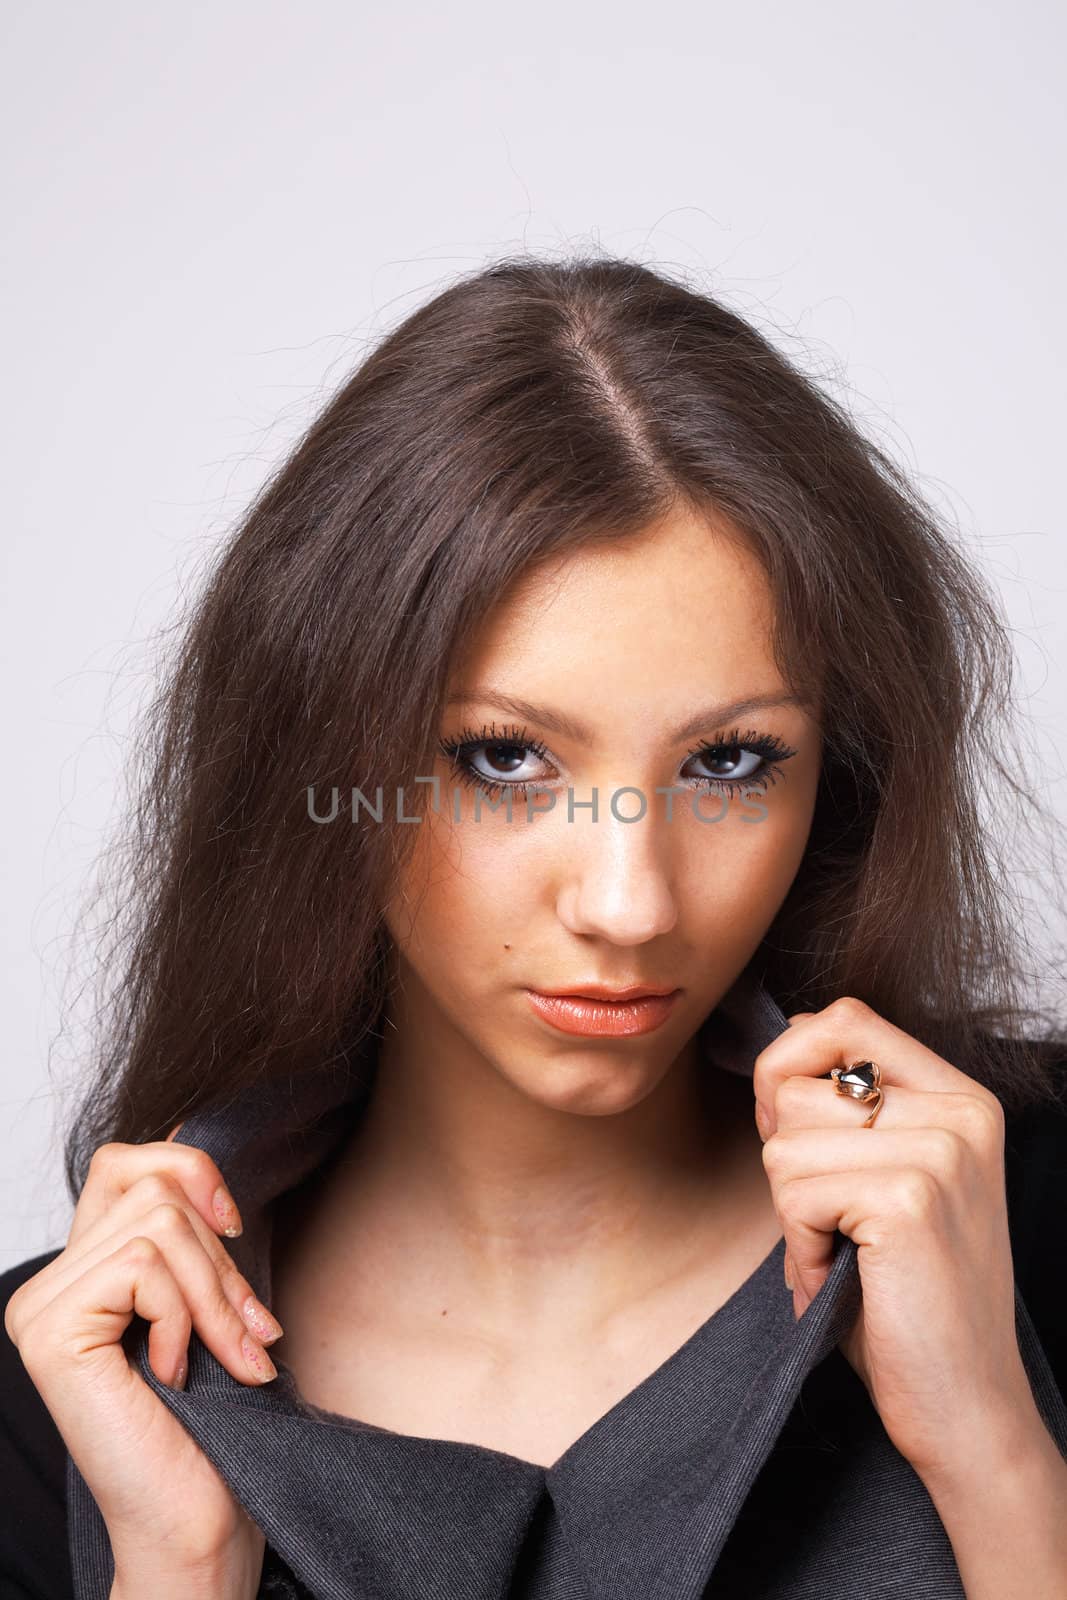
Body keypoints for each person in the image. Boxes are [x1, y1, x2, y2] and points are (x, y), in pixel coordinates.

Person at [2, 254, 1066, 1600]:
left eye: (731, 763)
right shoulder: (68, 1381)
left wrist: (996, 1457)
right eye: (505, 761)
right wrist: (176, 1567)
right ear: (325, 762)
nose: (630, 904)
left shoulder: (1020, 1209)